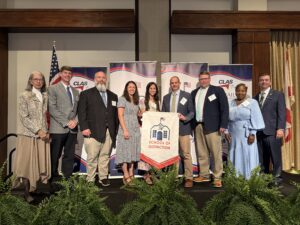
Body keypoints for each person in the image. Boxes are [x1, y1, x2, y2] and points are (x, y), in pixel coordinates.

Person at [13, 71, 51, 202]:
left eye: (41, 79)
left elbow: (46, 116)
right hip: (28, 135)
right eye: (35, 79)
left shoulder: (45, 95)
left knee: (38, 163)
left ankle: (34, 189)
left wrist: (46, 131)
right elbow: (23, 117)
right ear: (30, 81)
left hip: (42, 135)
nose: (38, 81)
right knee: (27, 164)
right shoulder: (24, 95)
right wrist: (38, 130)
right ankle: (25, 193)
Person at [78, 71, 118, 186]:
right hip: (92, 131)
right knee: (92, 157)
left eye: (103, 78)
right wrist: (84, 127)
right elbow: (81, 112)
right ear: (95, 79)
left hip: (108, 132)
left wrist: (114, 131)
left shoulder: (113, 96)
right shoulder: (86, 94)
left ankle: (103, 177)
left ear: (106, 80)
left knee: (105, 156)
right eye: (99, 77)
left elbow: (115, 116)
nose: (101, 79)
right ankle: (90, 178)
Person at [191, 71, 229, 188]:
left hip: (213, 126)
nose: (203, 81)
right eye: (201, 79)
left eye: (206, 78)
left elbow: (224, 108)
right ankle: (204, 174)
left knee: (216, 153)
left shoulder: (217, 91)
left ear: (209, 79)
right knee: (202, 152)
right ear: (199, 80)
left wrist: (223, 124)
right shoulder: (194, 92)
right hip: (198, 125)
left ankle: (217, 177)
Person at [225, 83, 265, 179]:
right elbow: (226, 118)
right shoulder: (230, 103)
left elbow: (256, 119)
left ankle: (248, 177)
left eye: (242, 91)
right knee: (234, 153)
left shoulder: (252, 102)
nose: (240, 93)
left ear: (246, 91)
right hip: (233, 134)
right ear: (235, 91)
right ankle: (235, 175)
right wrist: (226, 131)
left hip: (247, 134)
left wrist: (253, 133)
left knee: (247, 153)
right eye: (238, 91)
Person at [162, 76, 195, 188]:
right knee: (173, 155)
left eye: (176, 82)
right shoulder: (166, 98)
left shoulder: (187, 95)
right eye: (172, 83)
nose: (174, 84)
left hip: (183, 129)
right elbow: (163, 114)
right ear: (170, 85)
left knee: (186, 154)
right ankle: (173, 178)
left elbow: (192, 112)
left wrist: (185, 118)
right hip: (171, 131)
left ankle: (189, 178)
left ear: (179, 83)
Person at [48, 66, 79, 180]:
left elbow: (78, 110)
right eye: (65, 73)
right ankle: (54, 180)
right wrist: (66, 122)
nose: (67, 75)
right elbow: (52, 109)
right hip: (58, 128)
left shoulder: (76, 91)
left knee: (69, 156)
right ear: (60, 74)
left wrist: (75, 121)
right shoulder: (53, 88)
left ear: (72, 75)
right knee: (55, 155)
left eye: (69, 73)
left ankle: (67, 180)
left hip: (72, 129)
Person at [254, 73, 286, 185]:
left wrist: (281, 128)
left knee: (275, 156)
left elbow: (282, 113)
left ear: (270, 82)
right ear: (258, 82)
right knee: (262, 157)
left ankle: (277, 178)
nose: (264, 82)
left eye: (266, 80)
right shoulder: (255, 97)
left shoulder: (278, 95)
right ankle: (264, 177)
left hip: (273, 131)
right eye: (261, 80)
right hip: (259, 132)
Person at [115, 81, 141, 185]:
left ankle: (131, 172)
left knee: (132, 152)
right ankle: (125, 174)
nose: (132, 89)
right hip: (125, 129)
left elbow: (136, 114)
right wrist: (125, 129)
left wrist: (141, 114)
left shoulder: (136, 100)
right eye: (130, 87)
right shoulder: (122, 99)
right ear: (126, 88)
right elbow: (120, 115)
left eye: (133, 87)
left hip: (135, 130)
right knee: (125, 152)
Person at [138, 82, 160, 185]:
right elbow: (140, 114)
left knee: (154, 152)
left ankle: (152, 174)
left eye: (154, 88)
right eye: (151, 88)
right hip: (146, 129)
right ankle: (146, 174)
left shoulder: (158, 101)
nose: (152, 90)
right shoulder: (143, 100)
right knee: (146, 152)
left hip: (155, 131)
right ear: (148, 89)